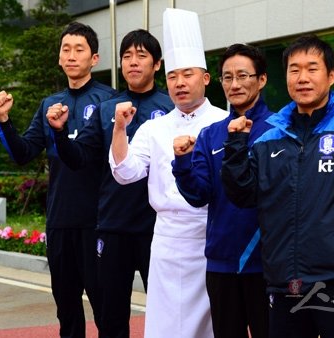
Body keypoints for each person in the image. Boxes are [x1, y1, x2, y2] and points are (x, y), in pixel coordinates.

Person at [220, 34, 334, 338]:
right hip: (283, 282)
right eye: (294, 69)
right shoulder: (267, 140)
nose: (302, 78)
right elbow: (243, 196)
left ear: (331, 75)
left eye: (312, 69)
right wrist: (236, 145)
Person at [0, 22, 117, 338]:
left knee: (106, 307)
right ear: (59, 58)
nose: (72, 56)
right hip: (60, 220)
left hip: (99, 222)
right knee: (66, 308)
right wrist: (4, 121)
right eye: (66, 49)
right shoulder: (49, 104)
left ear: (95, 58)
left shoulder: (108, 101)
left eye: (80, 49)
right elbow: (23, 152)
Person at [108, 8, 228, 338]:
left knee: (210, 324)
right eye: (173, 76)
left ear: (204, 78)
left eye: (187, 74)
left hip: (209, 238)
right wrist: (120, 129)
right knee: (163, 323)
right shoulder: (154, 126)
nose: (179, 83)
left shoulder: (224, 123)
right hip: (164, 240)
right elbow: (125, 172)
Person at [45, 29, 174, 338]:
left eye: (141, 56)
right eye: (127, 56)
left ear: (157, 65)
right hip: (113, 226)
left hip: (157, 228)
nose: (133, 62)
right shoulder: (107, 110)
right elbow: (78, 159)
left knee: (165, 312)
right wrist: (60, 133)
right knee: (111, 316)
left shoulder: (170, 108)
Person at [171, 43, 272, 338]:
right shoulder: (211, 134)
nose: (235, 84)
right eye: (227, 77)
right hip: (222, 264)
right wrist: (182, 163)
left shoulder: (279, 130)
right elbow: (198, 195)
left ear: (261, 79)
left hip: (267, 265)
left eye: (243, 75)